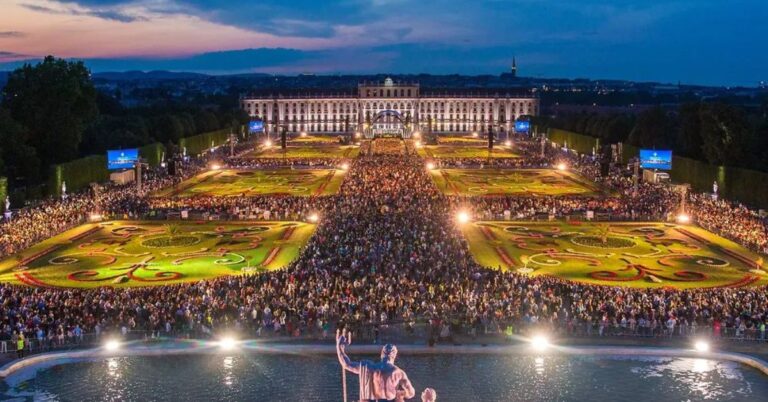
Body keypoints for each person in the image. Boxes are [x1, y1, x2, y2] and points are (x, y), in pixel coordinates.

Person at [337, 330, 415, 402]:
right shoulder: (398, 373)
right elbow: (411, 393)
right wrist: (401, 394)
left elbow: (346, 364)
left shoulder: (368, 368)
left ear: (382, 354)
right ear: (394, 355)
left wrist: (339, 347)